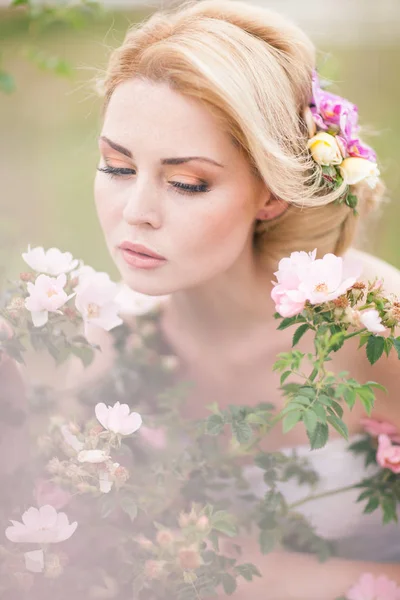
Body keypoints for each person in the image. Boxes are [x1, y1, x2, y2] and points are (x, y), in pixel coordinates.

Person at [3, 0, 399, 598]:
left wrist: (276, 580)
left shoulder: (373, 324)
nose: (136, 213)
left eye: (187, 182)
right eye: (116, 167)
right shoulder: (99, 358)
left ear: (270, 194)